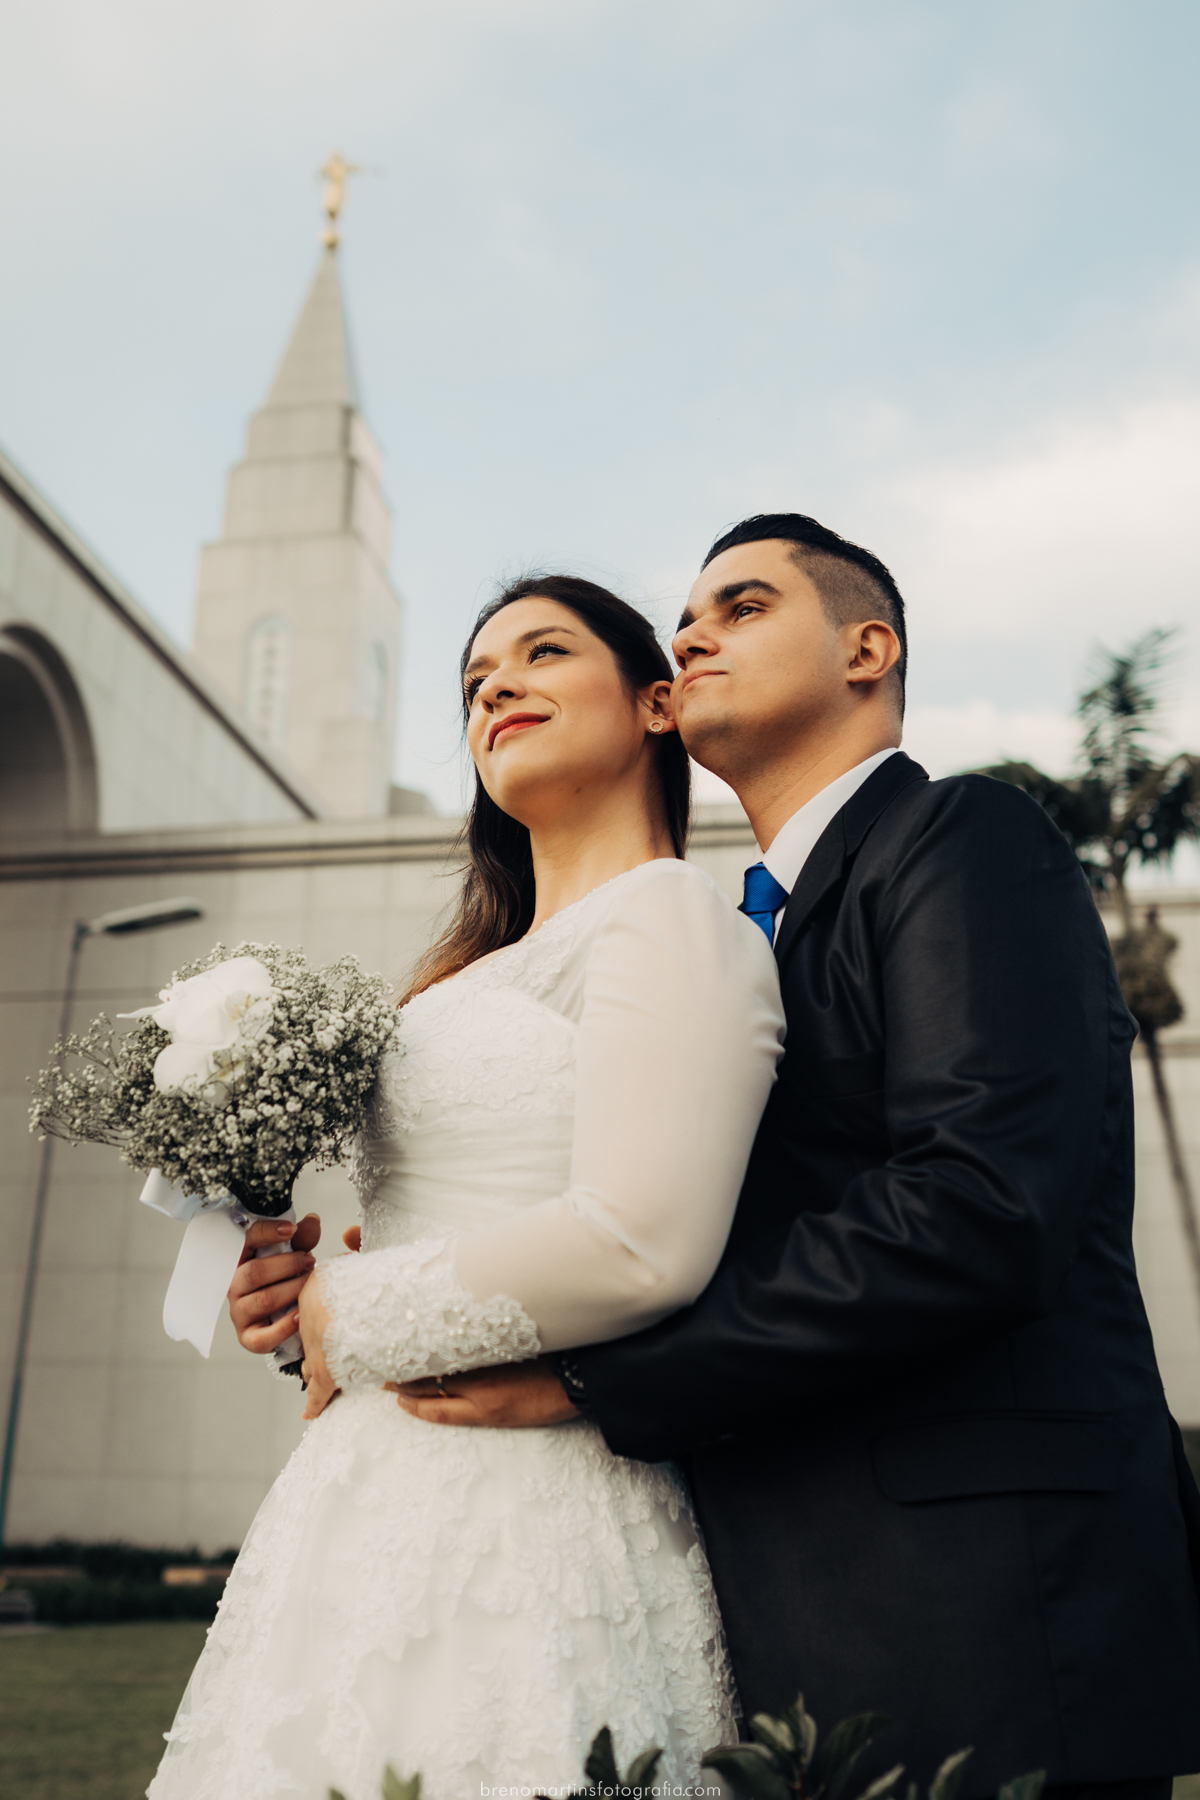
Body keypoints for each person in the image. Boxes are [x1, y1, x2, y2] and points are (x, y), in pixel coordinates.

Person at [387, 517, 1200, 1800]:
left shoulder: (961, 839)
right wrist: (359, 1298)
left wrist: (599, 1380)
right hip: (767, 1606)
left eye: (744, 605)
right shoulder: (725, 942)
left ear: (867, 648)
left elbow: (976, 1208)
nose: (695, 631)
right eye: (687, 617)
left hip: (977, 1599)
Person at [149, 576, 785, 1800]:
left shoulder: (669, 919)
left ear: (658, 704)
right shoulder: (459, 976)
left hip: (539, 1502)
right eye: (475, 680)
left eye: (543, 652)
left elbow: (642, 1244)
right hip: (362, 1496)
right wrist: (292, 1305)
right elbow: (427, 1234)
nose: (495, 685)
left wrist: (350, 1310)